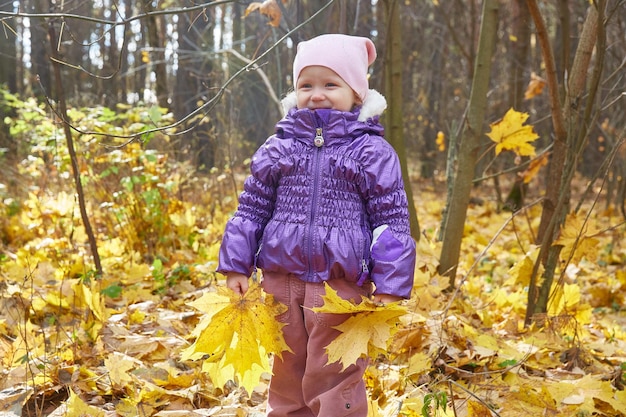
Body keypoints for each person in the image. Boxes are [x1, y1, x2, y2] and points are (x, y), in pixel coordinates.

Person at [217, 33, 416, 417]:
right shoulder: (279, 148)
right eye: (306, 85)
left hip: (340, 287)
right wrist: (236, 264)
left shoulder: (371, 152)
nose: (317, 94)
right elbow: (252, 208)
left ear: (357, 92)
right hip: (280, 280)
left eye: (330, 84)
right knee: (287, 368)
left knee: (335, 372)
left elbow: (391, 221)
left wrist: (391, 284)